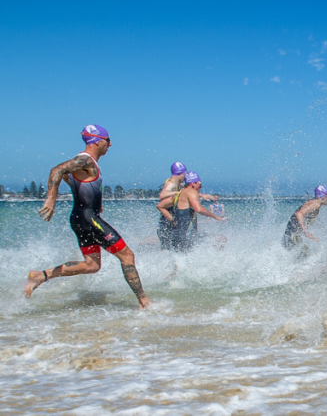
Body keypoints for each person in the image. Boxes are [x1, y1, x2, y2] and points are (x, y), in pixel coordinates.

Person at [25, 125, 150, 309]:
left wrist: (92, 200)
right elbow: (57, 170)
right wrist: (52, 199)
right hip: (88, 219)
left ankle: (41, 276)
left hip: (79, 218)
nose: (110, 144)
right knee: (127, 256)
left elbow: (69, 177)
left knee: (92, 266)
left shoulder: (85, 162)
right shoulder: (86, 160)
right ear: (98, 141)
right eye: (108, 140)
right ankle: (144, 302)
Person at [157, 171, 226, 252]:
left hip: (178, 235)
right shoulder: (191, 192)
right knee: (221, 239)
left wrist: (173, 221)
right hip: (185, 237)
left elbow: (160, 206)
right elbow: (199, 209)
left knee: (180, 259)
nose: (201, 186)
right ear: (193, 184)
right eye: (199, 183)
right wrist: (215, 216)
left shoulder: (179, 194)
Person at [281, 185, 327, 250]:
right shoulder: (315, 205)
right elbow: (299, 214)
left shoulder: (314, 204)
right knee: (306, 255)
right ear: (324, 196)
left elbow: (313, 220)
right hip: (291, 236)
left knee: (307, 254)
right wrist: (305, 232)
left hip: (291, 236)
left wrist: (326, 232)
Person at [157, 162, 188, 250]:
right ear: (179, 173)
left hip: (170, 223)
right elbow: (162, 195)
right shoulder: (170, 184)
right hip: (166, 224)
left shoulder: (179, 185)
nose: (185, 177)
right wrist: (178, 193)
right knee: (167, 250)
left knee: (176, 249)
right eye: (184, 174)